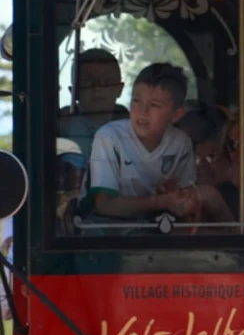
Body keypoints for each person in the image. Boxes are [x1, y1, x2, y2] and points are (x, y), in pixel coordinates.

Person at [85, 62, 200, 225]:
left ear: (176, 115)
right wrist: (160, 201)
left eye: (154, 105)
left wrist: (174, 193)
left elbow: (185, 197)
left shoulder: (180, 143)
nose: (143, 111)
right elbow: (104, 205)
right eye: (137, 101)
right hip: (108, 231)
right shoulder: (109, 137)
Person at [57, 48, 126, 157]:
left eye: (107, 81)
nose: (98, 88)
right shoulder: (63, 127)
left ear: (119, 89)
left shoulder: (134, 128)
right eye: (88, 82)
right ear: (74, 92)